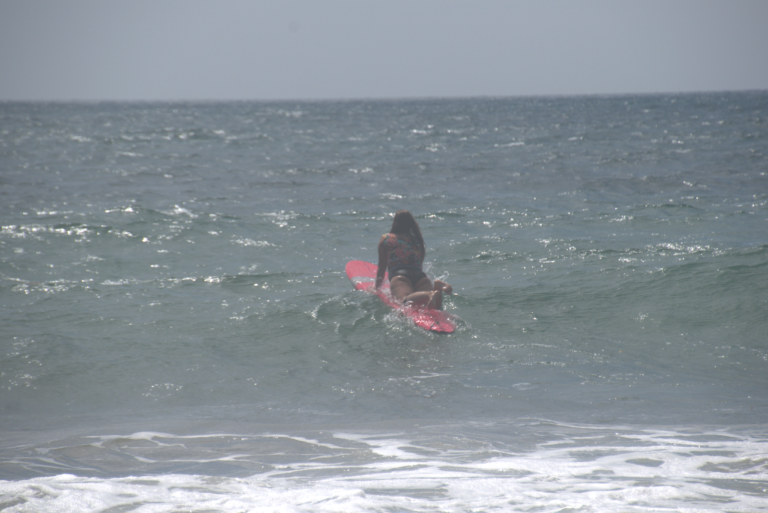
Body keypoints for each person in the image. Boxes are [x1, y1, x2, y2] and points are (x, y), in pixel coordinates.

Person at [375, 210, 452, 310]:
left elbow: (382, 266)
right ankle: (436, 287)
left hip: (400, 276)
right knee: (429, 307)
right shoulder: (417, 240)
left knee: (405, 301)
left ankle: (429, 294)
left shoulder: (386, 238)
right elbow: (419, 264)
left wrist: (377, 289)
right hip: (420, 276)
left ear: (395, 223)